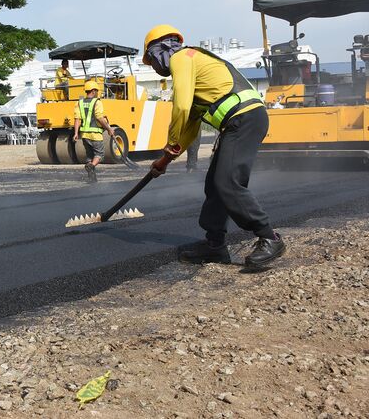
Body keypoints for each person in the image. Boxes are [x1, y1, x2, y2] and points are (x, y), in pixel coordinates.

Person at [143, 24, 284, 269]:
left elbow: (182, 107)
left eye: (151, 61)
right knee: (215, 185)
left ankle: (269, 237)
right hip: (240, 121)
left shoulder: (181, 58)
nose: (154, 68)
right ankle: (215, 246)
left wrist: (169, 147)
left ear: (159, 51)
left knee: (227, 182)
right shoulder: (195, 68)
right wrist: (165, 160)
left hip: (245, 118)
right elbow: (191, 127)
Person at [73, 80, 115, 183]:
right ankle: (91, 166)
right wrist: (109, 129)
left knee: (89, 156)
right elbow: (99, 118)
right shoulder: (97, 102)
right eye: (96, 90)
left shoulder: (79, 103)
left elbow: (77, 119)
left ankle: (92, 178)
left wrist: (76, 133)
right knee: (99, 155)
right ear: (93, 91)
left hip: (85, 135)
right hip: (95, 134)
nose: (97, 92)